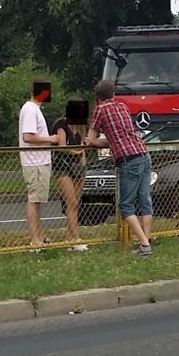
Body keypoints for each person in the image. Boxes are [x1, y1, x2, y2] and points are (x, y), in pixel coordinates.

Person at [85, 79, 154, 256]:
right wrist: (113, 141)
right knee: (145, 200)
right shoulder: (122, 107)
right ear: (113, 94)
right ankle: (146, 240)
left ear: (98, 97)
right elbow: (122, 134)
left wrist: (96, 142)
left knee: (125, 205)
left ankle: (144, 244)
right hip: (143, 154)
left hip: (128, 160)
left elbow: (92, 139)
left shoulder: (99, 110)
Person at [19, 81, 56, 248]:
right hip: (35, 161)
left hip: (41, 160)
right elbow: (28, 137)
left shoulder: (35, 110)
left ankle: (39, 234)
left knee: (38, 199)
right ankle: (35, 239)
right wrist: (50, 139)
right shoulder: (29, 110)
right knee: (34, 199)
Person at [50, 99, 89, 249]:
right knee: (70, 201)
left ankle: (69, 236)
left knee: (76, 203)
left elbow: (83, 147)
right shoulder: (61, 124)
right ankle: (76, 239)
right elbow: (62, 146)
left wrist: (83, 163)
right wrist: (75, 151)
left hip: (77, 166)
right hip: (63, 166)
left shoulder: (80, 127)